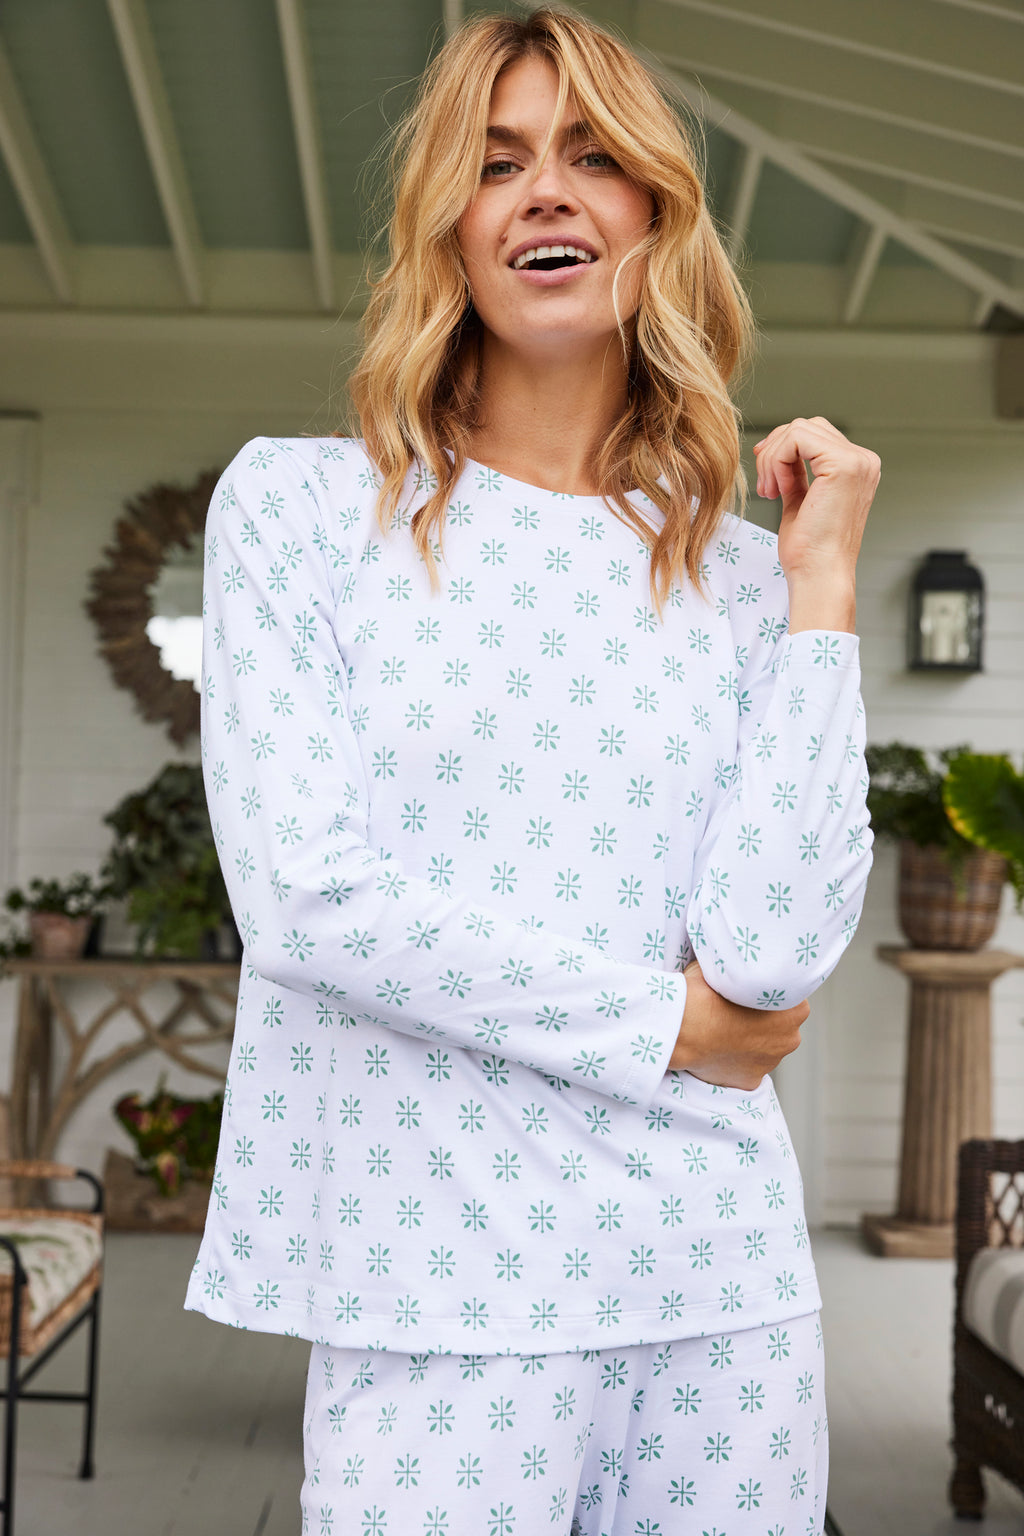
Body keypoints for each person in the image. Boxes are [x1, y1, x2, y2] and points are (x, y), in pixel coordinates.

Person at [186, 9, 878, 1532]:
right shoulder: (302, 512)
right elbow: (310, 900)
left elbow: (767, 961)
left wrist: (822, 590)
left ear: (654, 216)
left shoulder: (754, 586)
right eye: (497, 164)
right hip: (433, 1279)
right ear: (450, 225)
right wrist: (666, 1025)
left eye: (591, 158)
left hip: (716, 1280)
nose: (545, 192)